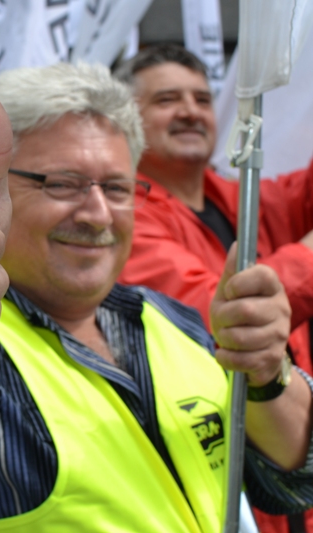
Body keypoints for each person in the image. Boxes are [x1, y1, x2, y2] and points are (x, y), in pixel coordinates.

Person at [0, 64, 313, 531]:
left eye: (117, 187)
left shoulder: (172, 320)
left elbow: (291, 481)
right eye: (62, 184)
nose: (96, 213)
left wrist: (268, 374)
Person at [115, 44, 313, 532]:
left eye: (203, 99)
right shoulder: (120, 217)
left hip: (291, 453)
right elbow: (219, 320)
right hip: (230, 480)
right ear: (126, 120)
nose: (190, 111)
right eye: (167, 100)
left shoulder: (244, 197)